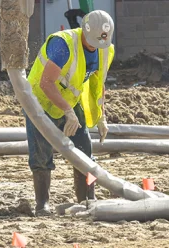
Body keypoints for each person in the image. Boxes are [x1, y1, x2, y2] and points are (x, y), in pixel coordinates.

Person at [24, 10, 115, 216]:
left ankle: (86, 200)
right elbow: (46, 83)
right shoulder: (63, 45)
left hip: (69, 100)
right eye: (92, 42)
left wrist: (101, 116)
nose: (95, 47)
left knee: (84, 151)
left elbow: (97, 84)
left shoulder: (103, 49)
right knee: (41, 151)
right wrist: (67, 111)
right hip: (39, 100)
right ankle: (42, 205)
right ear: (85, 31)